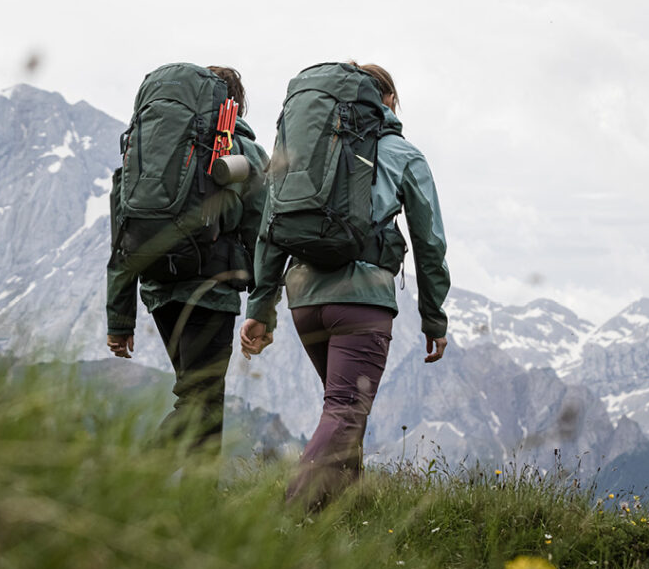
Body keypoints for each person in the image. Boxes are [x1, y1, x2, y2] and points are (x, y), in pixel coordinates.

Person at [240, 62, 450, 509]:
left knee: (344, 413)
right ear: (387, 100)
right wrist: (434, 317)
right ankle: (288, 517)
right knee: (345, 411)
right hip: (361, 301)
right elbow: (429, 241)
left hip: (304, 301)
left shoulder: (302, 150)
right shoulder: (403, 153)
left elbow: (271, 228)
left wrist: (261, 308)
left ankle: (345, 518)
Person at [107, 66, 269, 457]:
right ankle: (133, 483)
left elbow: (122, 236)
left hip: (159, 288)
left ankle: (196, 512)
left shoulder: (144, 160)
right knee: (200, 401)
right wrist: (262, 306)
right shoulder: (241, 149)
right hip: (211, 288)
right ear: (233, 104)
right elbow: (261, 231)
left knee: (203, 402)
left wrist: (120, 318)